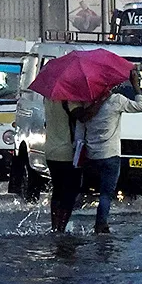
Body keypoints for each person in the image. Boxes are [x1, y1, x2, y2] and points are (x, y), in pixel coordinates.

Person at [83, 70, 142, 234]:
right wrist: (135, 86)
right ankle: (101, 224)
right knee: (106, 193)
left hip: (91, 154)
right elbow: (141, 106)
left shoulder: (87, 102)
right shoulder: (116, 100)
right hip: (110, 154)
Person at [44, 98, 85, 233]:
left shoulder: (49, 99)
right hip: (67, 152)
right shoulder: (70, 101)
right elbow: (82, 117)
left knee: (57, 191)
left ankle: (55, 226)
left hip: (50, 150)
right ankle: (61, 228)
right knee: (70, 192)